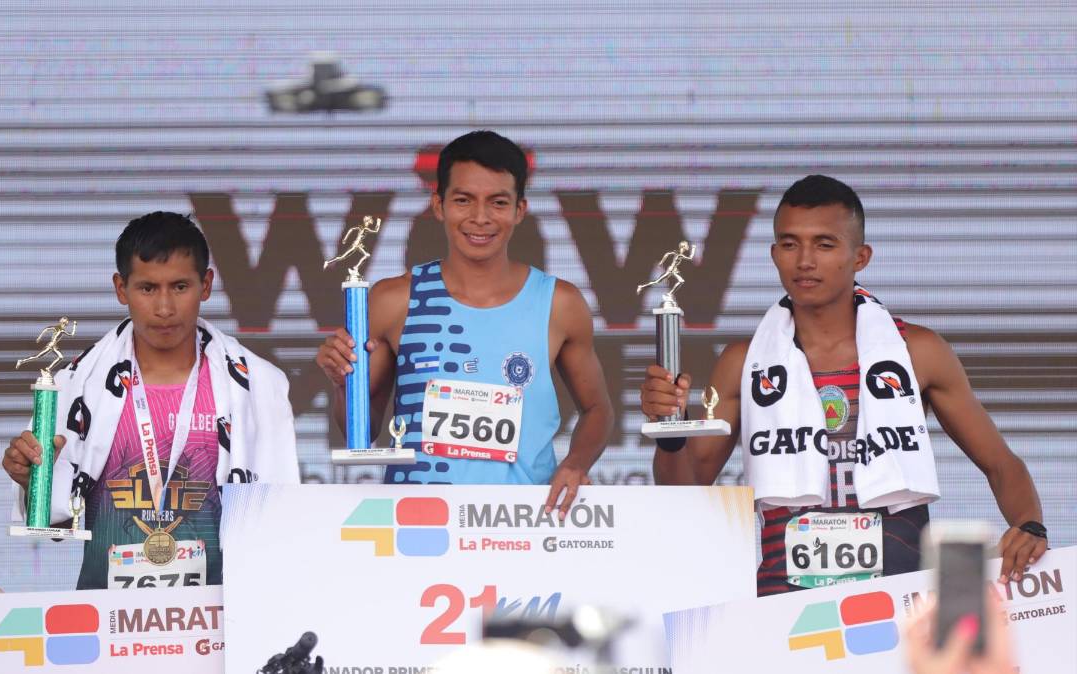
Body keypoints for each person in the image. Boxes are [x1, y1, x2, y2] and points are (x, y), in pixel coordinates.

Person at [641, 175, 1046, 594]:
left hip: (900, 598)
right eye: (790, 244)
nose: (805, 261)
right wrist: (670, 433)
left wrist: (1030, 526)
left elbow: (1002, 464)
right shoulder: (743, 362)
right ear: (774, 254)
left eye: (824, 244)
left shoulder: (918, 351)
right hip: (783, 606)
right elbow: (685, 495)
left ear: (860, 257)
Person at [316, 130, 612, 517]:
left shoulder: (560, 303)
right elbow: (362, 429)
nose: (480, 218)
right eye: (463, 200)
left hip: (523, 521)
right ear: (438, 205)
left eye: (498, 202)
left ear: (520, 210)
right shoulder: (393, 301)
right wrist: (344, 386)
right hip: (419, 522)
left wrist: (575, 464)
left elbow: (598, 410)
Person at [1, 212, 299, 590]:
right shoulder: (76, 386)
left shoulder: (257, 385)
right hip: (108, 616)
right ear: (121, 288)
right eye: (147, 288)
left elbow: (280, 527)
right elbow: (56, 529)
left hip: (222, 616)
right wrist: (33, 481)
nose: (164, 308)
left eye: (180, 286)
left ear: (206, 285)